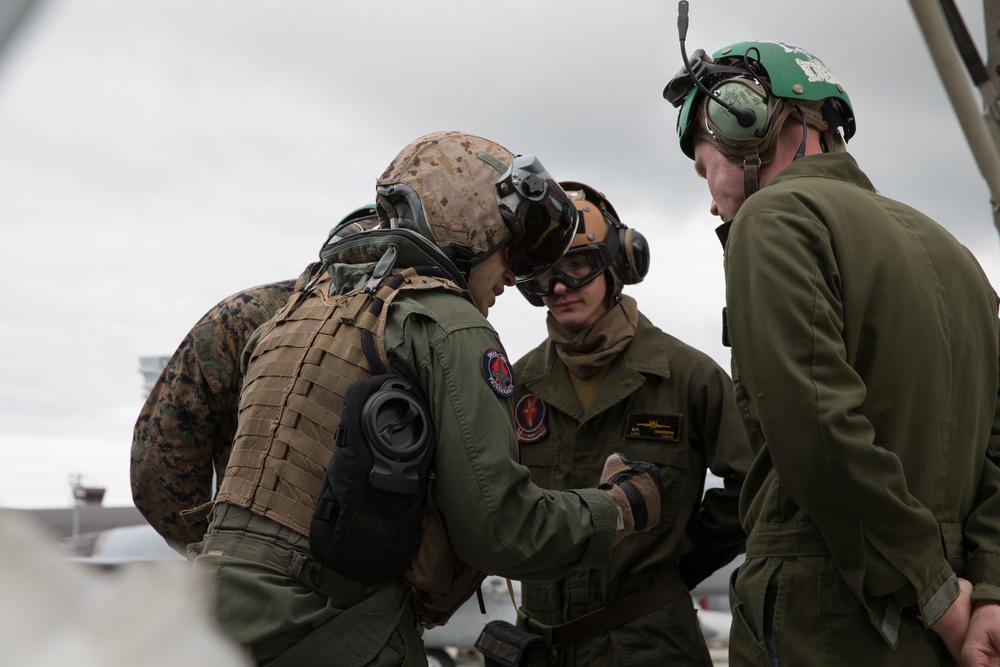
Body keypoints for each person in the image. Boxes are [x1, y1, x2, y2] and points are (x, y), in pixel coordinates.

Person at [190, 130, 668, 666]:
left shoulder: (289, 320)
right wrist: (618, 507)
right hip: (333, 632)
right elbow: (504, 533)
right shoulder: (448, 325)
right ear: (471, 225)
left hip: (206, 627)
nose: (512, 274)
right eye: (508, 246)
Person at [664, 37, 1000, 666]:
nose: (709, 196)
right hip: (948, 627)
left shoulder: (773, 221)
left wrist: (937, 596)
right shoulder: (958, 254)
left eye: (703, 165)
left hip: (827, 622)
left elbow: (816, 427)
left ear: (749, 123)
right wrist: (987, 597)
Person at [511, 181, 752, 666]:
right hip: (539, 646)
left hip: (649, 644)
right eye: (544, 273)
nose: (558, 288)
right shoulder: (518, 384)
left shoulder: (687, 377)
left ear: (618, 262)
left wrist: (678, 563)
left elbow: (753, 482)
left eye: (577, 266)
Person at [130, 205, 379, 553]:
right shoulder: (424, 325)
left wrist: (217, 551)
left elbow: (159, 467)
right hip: (374, 571)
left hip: (251, 564)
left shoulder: (241, 317)